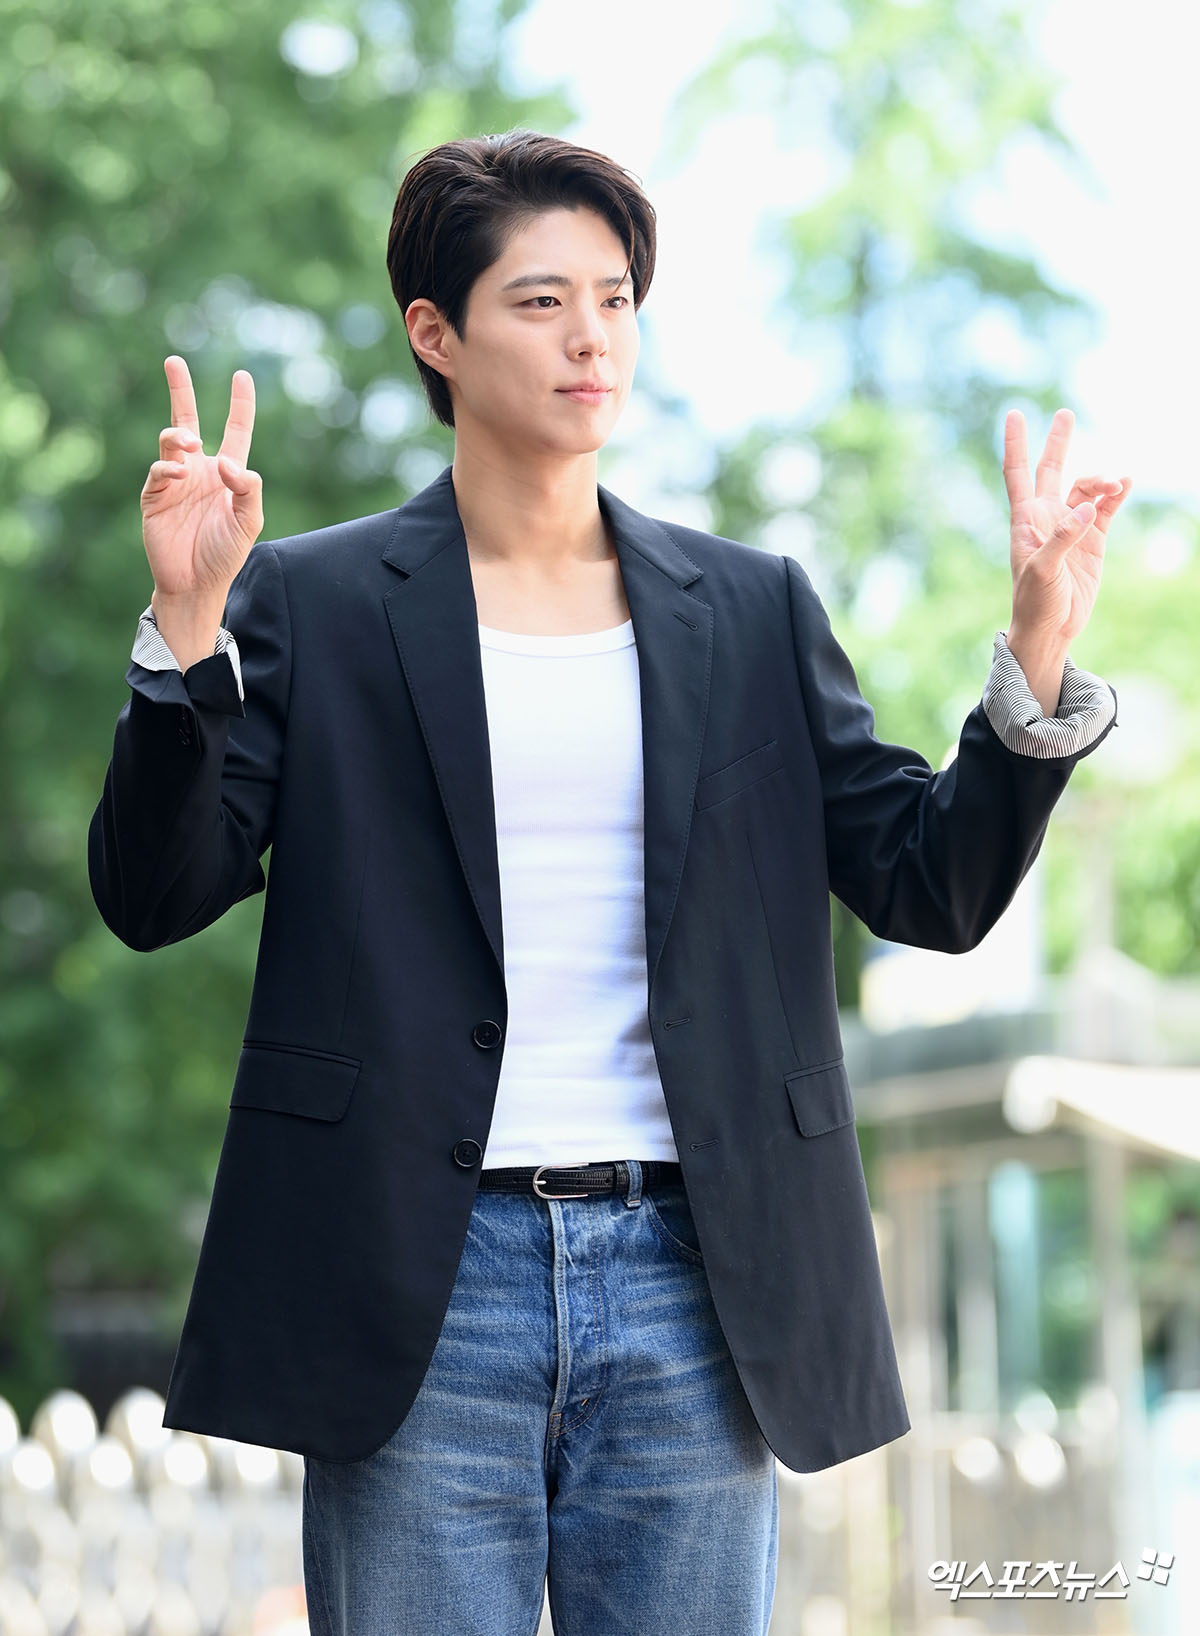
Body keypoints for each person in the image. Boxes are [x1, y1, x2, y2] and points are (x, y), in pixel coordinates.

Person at [88, 127, 1131, 1635]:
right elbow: (155, 892)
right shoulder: (315, 601)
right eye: (542, 301)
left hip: (695, 1281)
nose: (593, 338)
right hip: (417, 1283)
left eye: (617, 299)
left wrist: (1035, 651)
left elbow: (931, 887)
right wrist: (189, 633)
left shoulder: (751, 608)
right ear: (435, 334)